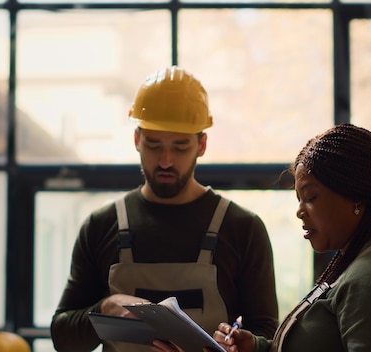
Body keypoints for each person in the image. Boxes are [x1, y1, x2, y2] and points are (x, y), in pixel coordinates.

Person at [50, 66, 279, 352]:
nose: (166, 161)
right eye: (154, 145)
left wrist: (238, 345)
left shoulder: (242, 228)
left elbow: (268, 338)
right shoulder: (100, 225)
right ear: (137, 140)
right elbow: (62, 336)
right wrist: (106, 307)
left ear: (202, 145)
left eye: (180, 147)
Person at [205, 123, 371, 352]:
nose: (299, 211)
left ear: (356, 197)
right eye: (298, 199)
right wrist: (258, 348)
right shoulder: (363, 266)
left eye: (310, 198)